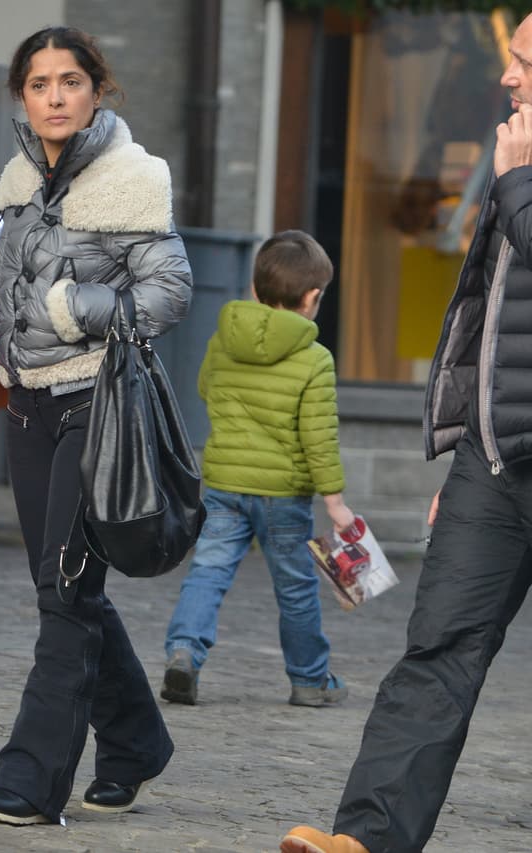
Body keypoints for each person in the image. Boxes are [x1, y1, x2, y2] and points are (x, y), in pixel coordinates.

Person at [282, 13, 532, 853]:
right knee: (436, 651)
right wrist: (470, 442)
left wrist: (519, 184)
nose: (509, 78)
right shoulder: (511, 161)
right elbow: (489, 324)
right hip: (496, 464)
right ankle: (369, 839)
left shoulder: (515, 170)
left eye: (525, 63)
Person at [0, 27, 192, 825]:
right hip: (26, 404)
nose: (55, 97)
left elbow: (169, 294)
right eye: (38, 84)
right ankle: (134, 742)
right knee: (64, 588)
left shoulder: (134, 177)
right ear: (21, 94)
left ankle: (30, 782)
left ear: (98, 88)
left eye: (70, 81)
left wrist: (73, 308)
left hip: (96, 402)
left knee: (65, 592)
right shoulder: (18, 180)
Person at [160, 230, 355, 709]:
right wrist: (335, 501)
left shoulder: (222, 340)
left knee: (207, 571)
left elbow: (206, 389)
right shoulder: (315, 359)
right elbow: (319, 437)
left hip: (224, 482)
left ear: (255, 289)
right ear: (312, 298)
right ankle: (310, 680)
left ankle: (184, 653)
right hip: (283, 495)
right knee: (295, 587)